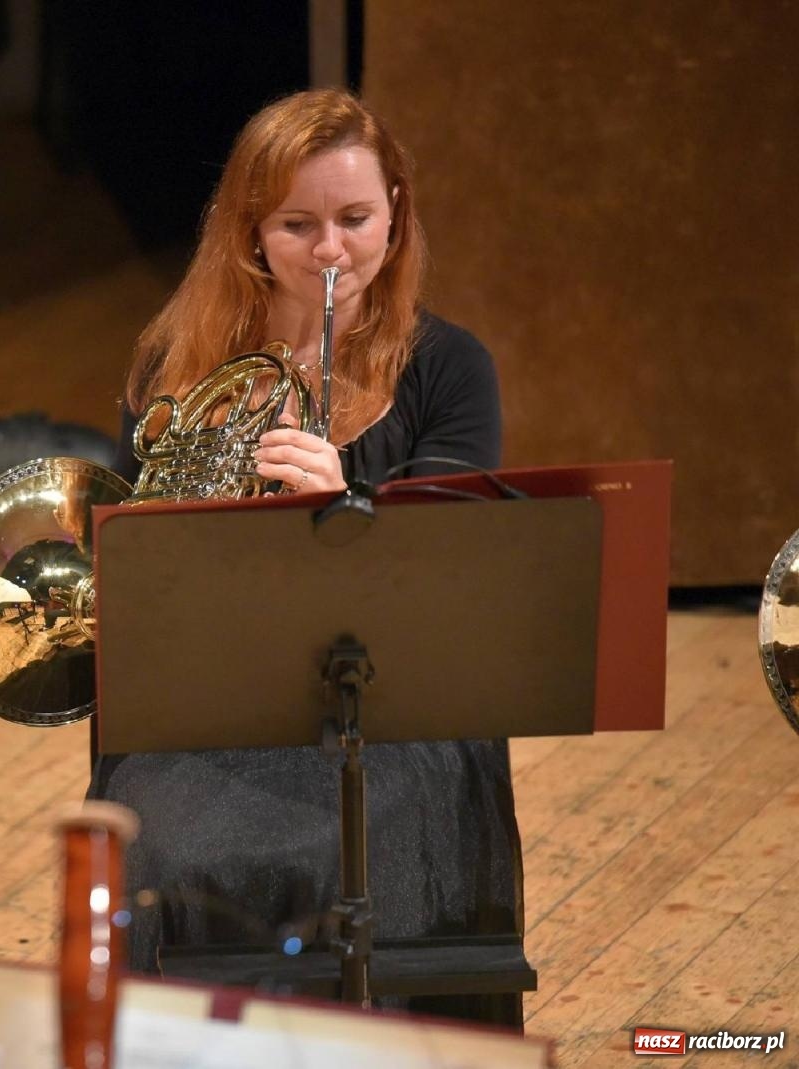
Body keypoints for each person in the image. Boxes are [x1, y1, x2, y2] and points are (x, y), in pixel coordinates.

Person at [89, 87, 523, 1024]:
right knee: (169, 842)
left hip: (399, 705)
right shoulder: (176, 371)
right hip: (217, 699)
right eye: (298, 225)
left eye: (356, 219)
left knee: (356, 842)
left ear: (396, 214)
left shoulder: (450, 368)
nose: (332, 251)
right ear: (249, 230)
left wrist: (344, 508)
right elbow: (143, 581)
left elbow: (451, 575)